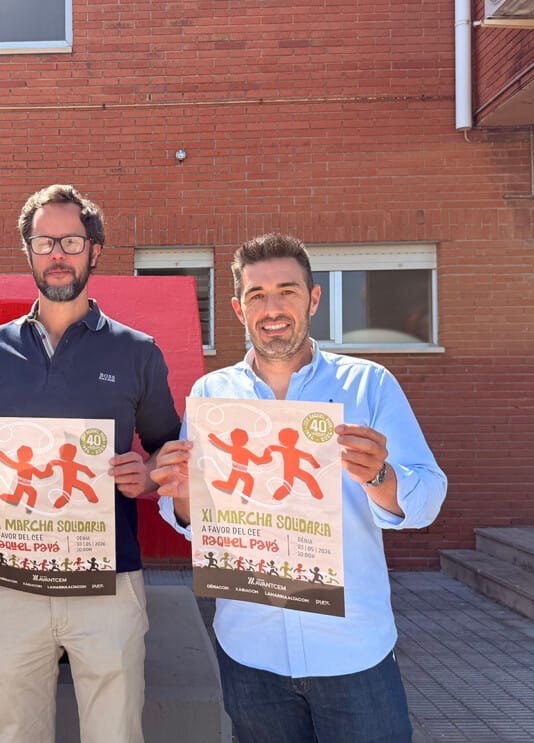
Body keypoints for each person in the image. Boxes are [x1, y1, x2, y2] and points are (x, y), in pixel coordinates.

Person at [151, 233, 447, 743]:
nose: (273, 309)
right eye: (257, 295)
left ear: (313, 298)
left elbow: (427, 500)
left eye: (287, 291)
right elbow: (192, 521)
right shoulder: (211, 395)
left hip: (352, 648)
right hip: (249, 646)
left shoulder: (368, 385)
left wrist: (379, 475)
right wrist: (180, 494)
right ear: (237, 308)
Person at [0, 184, 181, 743]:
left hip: (109, 581)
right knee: (15, 731)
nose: (58, 254)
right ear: (27, 250)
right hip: (12, 581)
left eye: (71, 240)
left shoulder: (137, 350)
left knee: (115, 732)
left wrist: (147, 477)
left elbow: (170, 449)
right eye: (44, 241)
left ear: (95, 250)